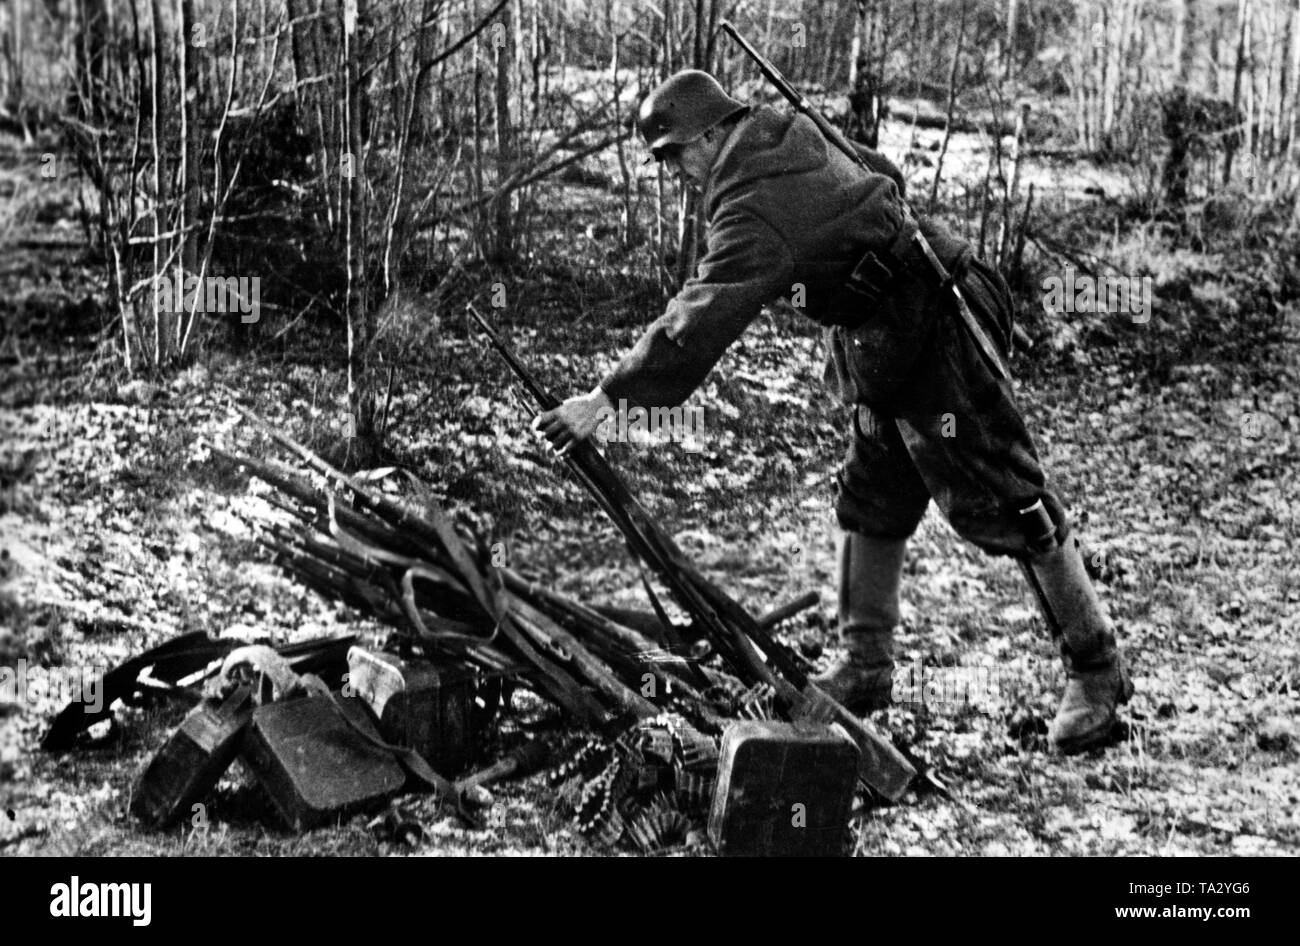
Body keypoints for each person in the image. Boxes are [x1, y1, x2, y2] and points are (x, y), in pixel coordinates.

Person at [533, 69, 1133, 754]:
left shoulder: (755, 204)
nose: (675, 173)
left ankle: (1096, 667)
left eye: (673, 156)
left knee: (1004, 493)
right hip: (882, 331)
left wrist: (607, 398)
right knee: (872, 492)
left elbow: (697, 320)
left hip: (936, 322)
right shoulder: (785, 128)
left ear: (708, 133)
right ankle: (866, 664)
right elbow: (881, 172)